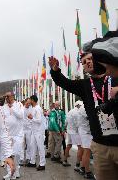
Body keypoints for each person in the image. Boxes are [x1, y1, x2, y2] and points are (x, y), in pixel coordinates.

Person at [49, 45, 118, 179]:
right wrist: (56, 71)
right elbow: (65, 83)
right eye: (84, 62)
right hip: (100, 145)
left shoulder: (114, 78)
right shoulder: (84, 85)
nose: (88, 63)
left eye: (90, 59)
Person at [2, 92, 23, 179]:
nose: (7, 98)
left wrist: (12, 109)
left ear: (13, 96)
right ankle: (10, 172)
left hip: (18, 134)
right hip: (8, 134)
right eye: (5, 96)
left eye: (8, 96)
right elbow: (2, 118)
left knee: (17, 154)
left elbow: (21, 115)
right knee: (8, 154)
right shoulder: (4, 107)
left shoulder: (19, 104)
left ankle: (16, 169)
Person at [26, 95, 46, 171]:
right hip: (34, 131)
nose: (29, 101)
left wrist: (32, 118)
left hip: (39, 131)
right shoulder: (33, 108)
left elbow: (39, 120)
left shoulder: (38, 108)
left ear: (32, 100)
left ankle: (42, 164)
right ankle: (32, 162)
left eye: (30, 100)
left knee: (40, 147)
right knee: (32, 146)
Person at [62, 101, 83, 169]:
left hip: (69, 131)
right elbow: (78, 123)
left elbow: (66, 121)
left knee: (69, 145)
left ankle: (65, 160)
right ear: (79, 105)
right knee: (80, 147)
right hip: (76, 131)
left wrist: (64, 128)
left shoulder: (70, 111)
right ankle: (77, 165)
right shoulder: (79, 112)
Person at [20, 98, 32, 165]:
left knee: (29, 144)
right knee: (22, 144)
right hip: (22, 129)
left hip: (29, 129)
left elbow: (33, 118)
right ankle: (21, 158)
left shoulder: (31, 109)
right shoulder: (21, 109)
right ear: (25, 102)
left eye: (29, 103)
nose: (28, 104)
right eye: (27, 103)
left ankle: (28, 157)